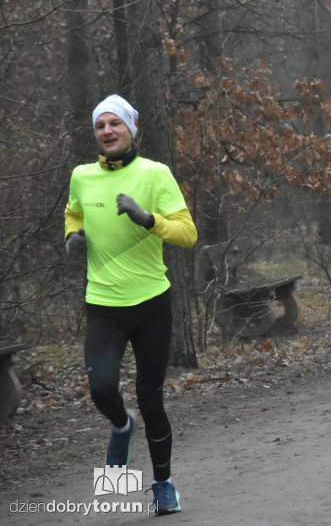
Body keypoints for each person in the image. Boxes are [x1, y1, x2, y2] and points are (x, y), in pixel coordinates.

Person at [64, 95, 197, 514]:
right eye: (100, 125)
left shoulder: (155, 174)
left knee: (150, 397)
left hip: (150, 303)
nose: (107, 130)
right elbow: (73, 214)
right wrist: (73, 238)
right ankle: (122, 427)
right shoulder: (81, 177)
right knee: (102, 388)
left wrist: (147, 219)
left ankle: (162, 484)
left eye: (115, 124)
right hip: (103, 303)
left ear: (131, 129)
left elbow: (188, 234)